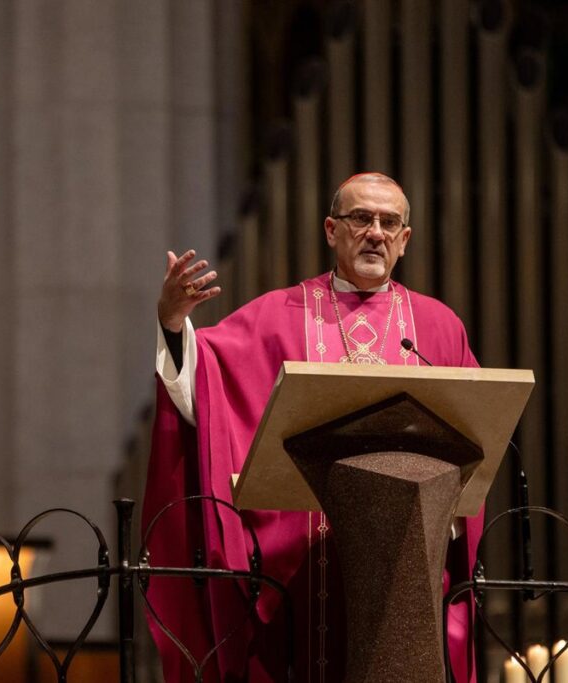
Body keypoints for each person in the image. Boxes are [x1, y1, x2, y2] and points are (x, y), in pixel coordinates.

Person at [141, 172, 482, 683]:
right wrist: (172, 323)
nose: (375, 233)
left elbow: (476, 435)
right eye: (360, 218)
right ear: (330, 229)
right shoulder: (278, 316)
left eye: (390, 222)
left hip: (405, 561)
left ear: (405, 239)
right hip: (303, 572)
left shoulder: (438, 327)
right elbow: (202, 383)